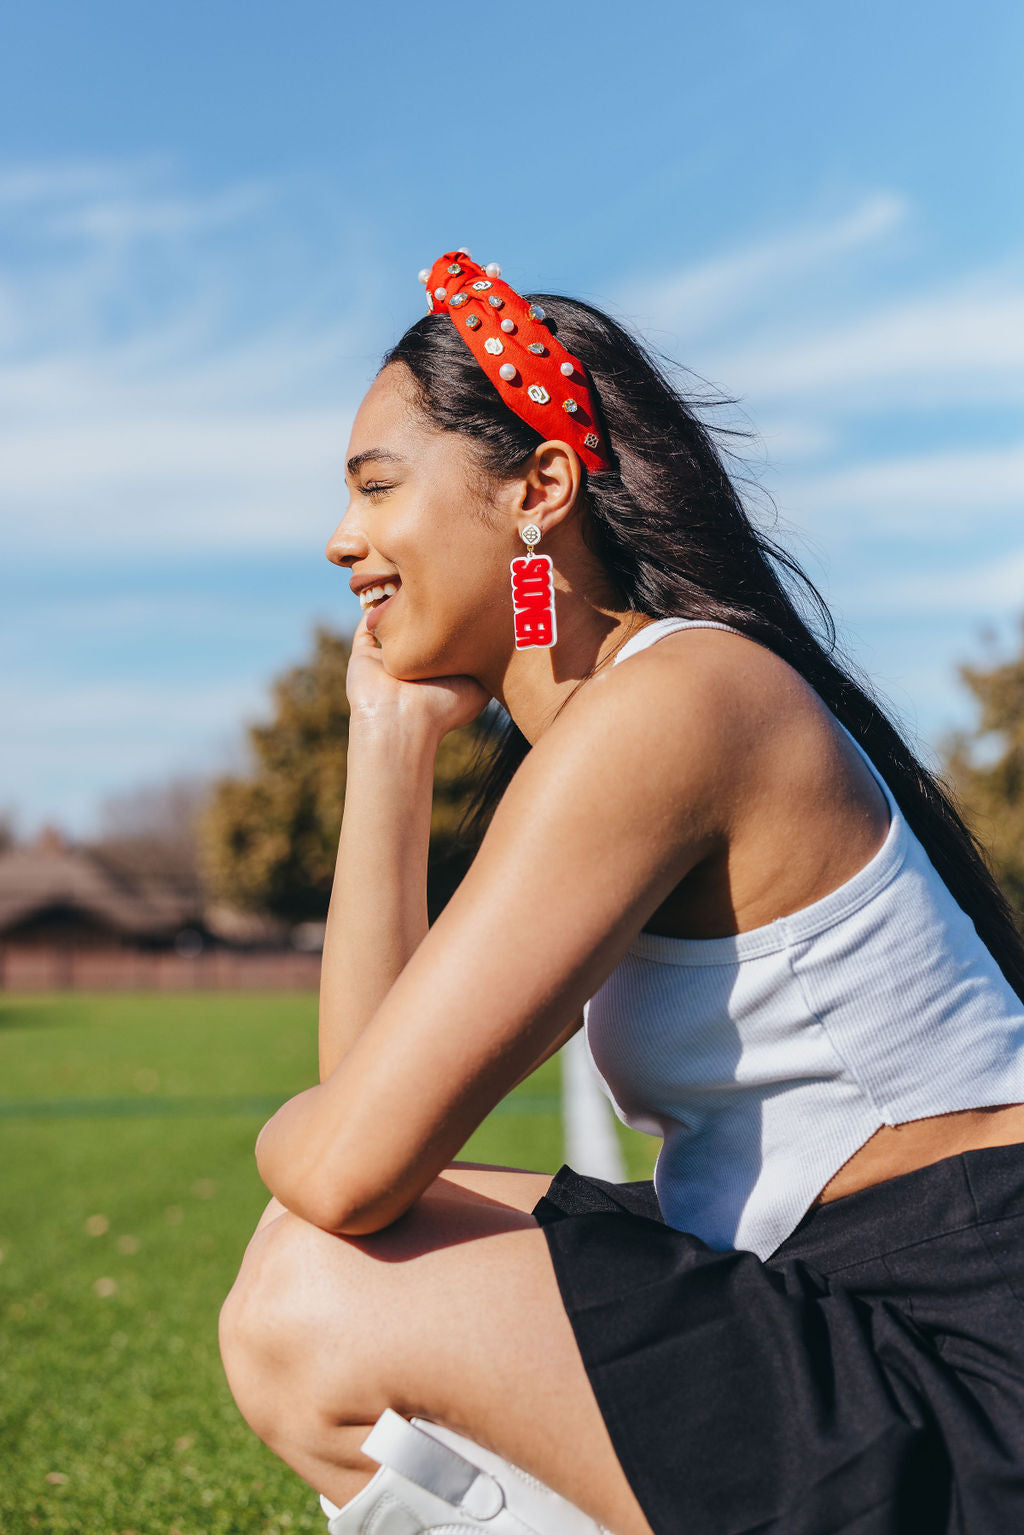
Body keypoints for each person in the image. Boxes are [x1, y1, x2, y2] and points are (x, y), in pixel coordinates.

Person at [218, 249, 1024, 1535]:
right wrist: (390, 739)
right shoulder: (612, 730)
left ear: (539, 486)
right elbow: (374, 1099)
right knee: (314, 1260)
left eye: (377, 486)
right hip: (835, 1292)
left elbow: (346, 1162)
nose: (341, 537)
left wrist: (290, 1136)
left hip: (962, 1350)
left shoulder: (678, 704)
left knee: (309, 1291)